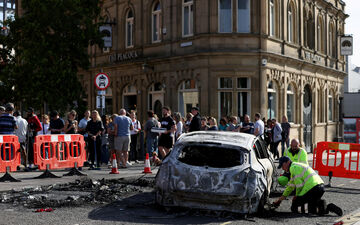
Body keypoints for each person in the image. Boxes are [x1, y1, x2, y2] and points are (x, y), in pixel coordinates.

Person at [273, 156, 343, 216]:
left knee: (295, 207)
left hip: (312, 188)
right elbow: (290, 187)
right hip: (320, 187)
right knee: (312, 206)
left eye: (282, 165)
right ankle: (323, 206)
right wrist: (280, 200)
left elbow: (299, 186)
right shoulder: (297, 166)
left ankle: (323, 207)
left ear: (287, 162)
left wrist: (296, 196)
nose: (282, 168)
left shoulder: (293, 168)